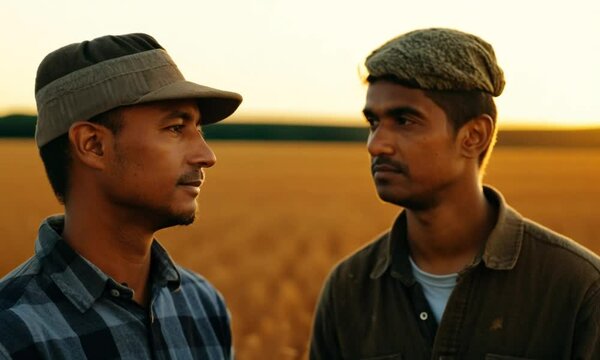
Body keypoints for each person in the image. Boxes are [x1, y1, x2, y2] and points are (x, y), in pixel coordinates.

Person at [310, 28, 600, 359]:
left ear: (474, 135)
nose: (376, 144)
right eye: (373, 123)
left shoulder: (577, 289)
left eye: (404, 121)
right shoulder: (348, 288)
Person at [0, 33, 242, 359]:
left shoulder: (203, 306)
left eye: (199, 129)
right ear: (93, 145)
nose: (206, 155)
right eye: (175, 128)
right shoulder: (12, 333)